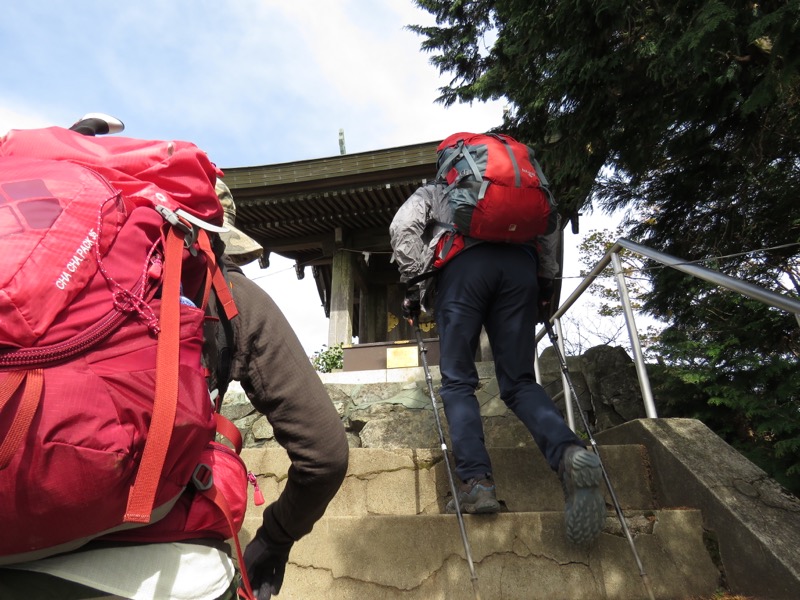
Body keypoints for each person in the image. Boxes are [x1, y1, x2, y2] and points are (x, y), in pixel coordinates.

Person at [0, 178, 349, 599]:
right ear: (216, 239)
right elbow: (325, 456)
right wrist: (275, 539)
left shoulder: (42, 277)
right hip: (167, 565)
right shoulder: (233, 295)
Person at [389, 180, 606, 545]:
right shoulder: (521, 186)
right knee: (520, 382)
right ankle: (569, 452)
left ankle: (477, 483)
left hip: (462, 271)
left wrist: (414, 281)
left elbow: (402, 227)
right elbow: (549, 225)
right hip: (520, 268)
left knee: (458, 382)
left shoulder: (436, 190)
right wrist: (544, 282)